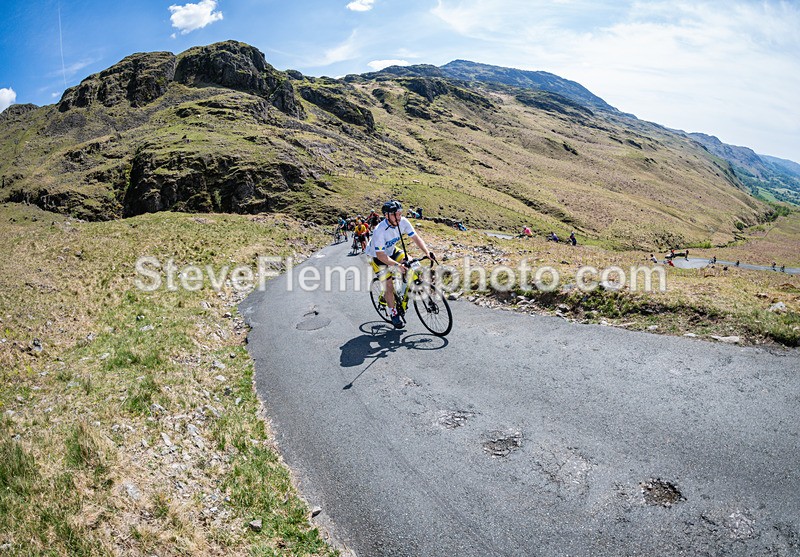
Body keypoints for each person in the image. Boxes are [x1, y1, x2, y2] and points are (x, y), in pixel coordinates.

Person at [366, 200, 435, 329]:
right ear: (386, 215)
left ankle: (403, 292)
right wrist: (397, 265)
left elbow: (416, 238)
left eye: (399, 214)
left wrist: (427, 252)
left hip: (392, 251)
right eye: (395, 215)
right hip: (377, 256)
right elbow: (381, 256)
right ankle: (393, 312)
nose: (398, 217)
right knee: (388, 285)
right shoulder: (379, 231)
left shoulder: (402, 221)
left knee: (414, 265)